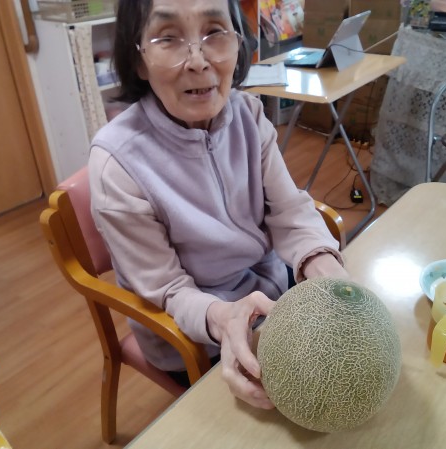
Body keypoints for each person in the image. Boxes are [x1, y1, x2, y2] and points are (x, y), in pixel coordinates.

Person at [88, 0, 349, 410]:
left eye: (214, 32)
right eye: (168, 38)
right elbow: (170, 291)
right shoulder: (116, 166)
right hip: (194, 332)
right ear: (138, 60)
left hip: (271, 291)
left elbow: (289, 211)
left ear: (238, 41)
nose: (198, 61)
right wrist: (224, 319)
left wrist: (323, 264)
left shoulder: (248, 114)